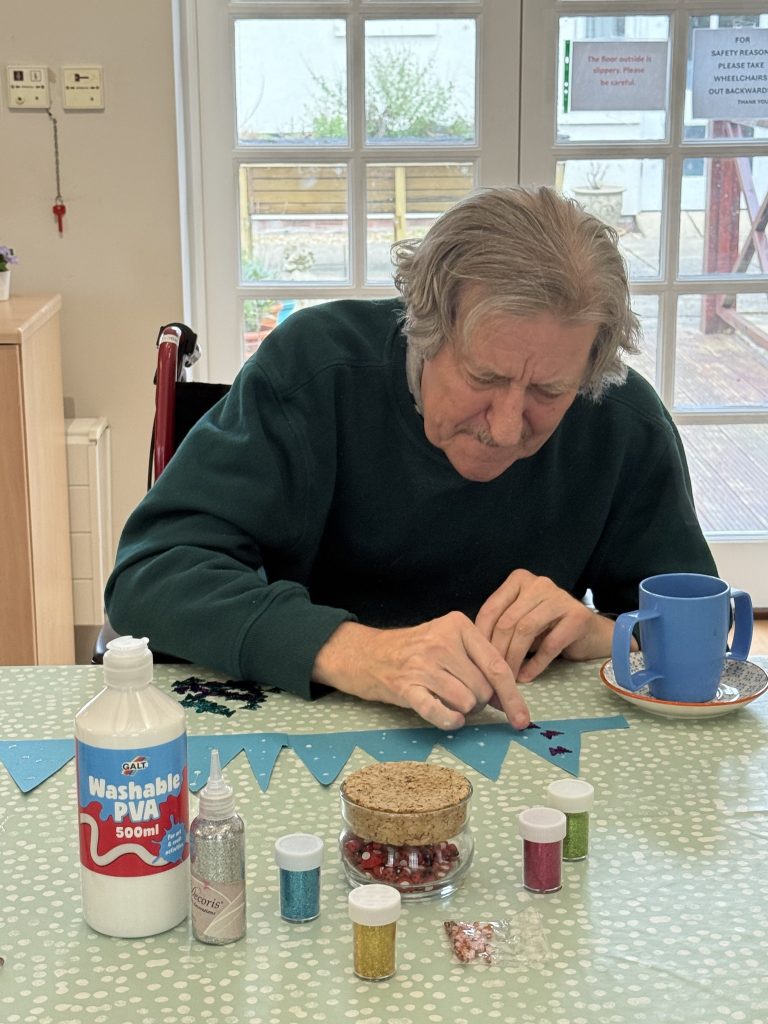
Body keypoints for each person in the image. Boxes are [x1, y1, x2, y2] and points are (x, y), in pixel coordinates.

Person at [105, 185, 716, 731]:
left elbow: (699, 635)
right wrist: (356, 652)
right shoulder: (312, 370)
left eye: (549, 392)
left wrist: (600, 632)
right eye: (484, 378)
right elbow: (151, 576)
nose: (507, 428)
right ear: (422, 332)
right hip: (311, 734)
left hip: (527, 743)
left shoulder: (622, 420)